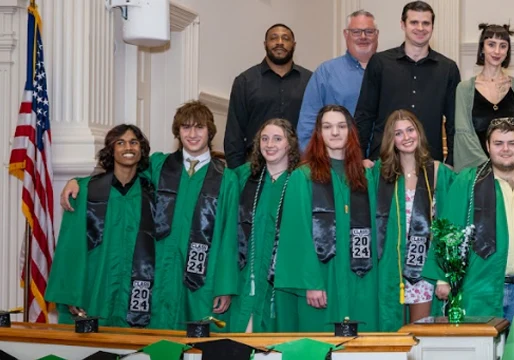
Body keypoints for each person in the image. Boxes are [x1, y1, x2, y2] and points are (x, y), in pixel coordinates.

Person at [59, 102, 242, 330]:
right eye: (186, 127)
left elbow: (229, 237)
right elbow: (120, 177)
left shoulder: (226, 178)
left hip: (201, 276)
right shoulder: (159, 164)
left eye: (199, 128)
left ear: (210, 131)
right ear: (178, 132)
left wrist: (225, 286)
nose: (192, 134)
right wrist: (77, 182)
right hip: (157, 272)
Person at [275, 105, 380, 332]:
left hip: (359, 278)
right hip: (321, 279)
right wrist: (310, 283)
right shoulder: (303, 177)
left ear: (350, 131)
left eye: (341, 126)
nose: (335, 132)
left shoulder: (365, 177)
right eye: (327, 127)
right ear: (318, 133)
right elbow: (297, 234)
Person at [425, 117, 514, 322]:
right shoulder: (468, 181)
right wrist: (443, 277)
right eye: (498, 143)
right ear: (487, 146)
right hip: (479, 286)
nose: (506, 149)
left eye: (512, 143)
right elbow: (448, 230)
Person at [46, 125, 162, 328]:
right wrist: (71, 294)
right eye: (121, 142)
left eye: (134, 142)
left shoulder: (153, 194)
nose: (128, 147)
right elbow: (70, 249)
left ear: (141, 149)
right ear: (111, 149)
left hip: (136, 290)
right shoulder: (86, 192)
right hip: (95, 289)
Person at [369, 110, 455, 327]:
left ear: (419, 132)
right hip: (390, 266)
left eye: (410, 130)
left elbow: (448, 226)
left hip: (424, 267)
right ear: (391, 139)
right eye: (398, 133)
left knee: (421, 334)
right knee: (392, 334)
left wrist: (443, 274)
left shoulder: (437, 172)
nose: (406, 137)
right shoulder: (380, 173)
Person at [356, 1, 460, 162]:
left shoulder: (448, 68)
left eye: (426, 23)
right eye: (414, 22)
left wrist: (452, 161)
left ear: (432, 27)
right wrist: (360, 157)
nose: (420, 28)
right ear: (402, 25)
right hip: (385, 159)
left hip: (429, 160)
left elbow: (454, 122)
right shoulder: (380, 63)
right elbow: (365, 113)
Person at [223, 118, 301, 333]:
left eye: (277, 139)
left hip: (282, 280)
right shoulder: (243, 177)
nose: (270, 144)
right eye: (264, 139)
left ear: (290, 144)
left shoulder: (300, 180)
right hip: (246, 275)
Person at [225, 24, 312, 168]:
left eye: (286, 38)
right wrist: (238, 174)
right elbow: (234, 134)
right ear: (265, 44)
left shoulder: (310, 81)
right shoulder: (245, 81)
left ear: (294, 45)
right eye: (274, 38)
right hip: (254, 168)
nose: (280, 42)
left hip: (300, 169)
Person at [452, 23, 514, 172]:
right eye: (491, 44)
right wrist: (491, 169)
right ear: (482, 48)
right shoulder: (464, 90)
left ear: (507, 51)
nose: (497, 51)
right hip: (477, 173)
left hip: (513, 171)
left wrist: (507, 166)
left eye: (503, 46)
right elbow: (464, 135)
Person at [297, 10, 380, 150]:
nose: (363, 36)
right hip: (335, 164)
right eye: (356, 32)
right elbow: (308, 124)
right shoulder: (326, 72)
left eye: (369, 31)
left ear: (377, 35)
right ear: (345, 34)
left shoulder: (388, 71)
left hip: (381, 163)